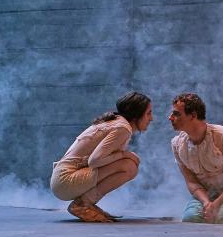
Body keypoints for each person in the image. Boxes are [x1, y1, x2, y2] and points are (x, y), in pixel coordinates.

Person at [51, 91, 152, 222]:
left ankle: (85, 203)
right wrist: (125, 154)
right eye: (148, 113)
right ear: (136, 114)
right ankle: (82, 204)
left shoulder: (117, 123)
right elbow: (95, 160)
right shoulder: (123, 128)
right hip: (65, 180)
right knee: (129, 166)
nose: (151, 118)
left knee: (128, 163)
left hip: (62, 180)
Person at [168, 92, 223, 224]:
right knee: (191, 218)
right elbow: (191, 182)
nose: (170, 118)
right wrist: (207, 203)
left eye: (176, 114)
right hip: (207, 195)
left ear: (193, 115)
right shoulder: (177, 145)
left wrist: (217, 203)